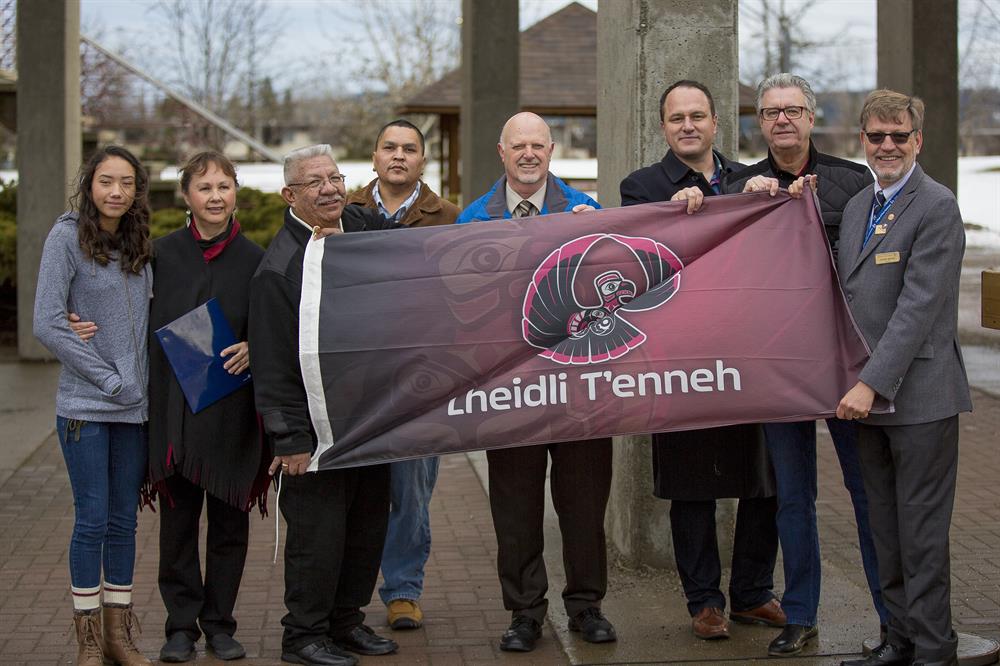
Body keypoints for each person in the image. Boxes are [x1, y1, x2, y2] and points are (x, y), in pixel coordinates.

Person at [723, 73, 889, 657]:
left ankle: (891, 616)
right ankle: (801, 614)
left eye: (793, 110)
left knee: (866, 494)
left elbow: (870, 259)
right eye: (770, 113)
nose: (782, 120)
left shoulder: (850, 178)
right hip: (780, 363)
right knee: (792, 497)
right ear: (759, 122)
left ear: (811, 117)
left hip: (844, 361)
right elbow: (726, 271)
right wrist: (749, 207)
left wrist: (819, 207)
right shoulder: (741, 184)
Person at [621, 80, 784, 641]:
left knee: (765, 478)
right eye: (676, 118)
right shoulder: (641, 188)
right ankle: (704, 601)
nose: (687, 126)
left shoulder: (754, 182)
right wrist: (673, 220)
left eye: (697, 116)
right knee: (692, 484)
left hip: (751, 353)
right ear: (663, 127)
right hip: (682, 358)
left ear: (716, 123)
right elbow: (636, 272)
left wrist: (770, 200)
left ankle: (754, 593)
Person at [457, 112, 616, 653]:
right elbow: (461, 314)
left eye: (537, 146)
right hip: (513, 394)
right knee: (517, 509)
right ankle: (524, 612)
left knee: (584, 505)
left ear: (552, 151)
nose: (528, 154)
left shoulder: (586, 212)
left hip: (580, 394)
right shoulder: (473, 221)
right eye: (517, 146)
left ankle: (587, 606)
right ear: (501, 152)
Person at [835, 90, 971, 666]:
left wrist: (870, 382)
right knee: (884, 529)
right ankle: (900, 639)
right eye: (875, 136)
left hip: (918, 399)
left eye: (898, 135)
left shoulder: (936, 206)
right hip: (868, 403)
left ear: (918, 140)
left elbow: (919, 306)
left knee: (920, 534)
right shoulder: (860, 205)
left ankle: (935, 650)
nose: (886, 145)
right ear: (862, 141)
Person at [249, 144, 397, 666]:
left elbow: (428, 249)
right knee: (318, 537)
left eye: (335, 177)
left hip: (370, 422)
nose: (330, 188)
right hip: (314, 433)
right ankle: (303, 636)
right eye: (315, 182)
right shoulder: (278, 269)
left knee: (365, 528)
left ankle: (346, 622)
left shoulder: (362, 229)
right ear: (290, 194)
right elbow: (269, 364)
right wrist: (288, 438)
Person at [33, 146, 153, 666]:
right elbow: (48, 322)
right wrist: (109, 379)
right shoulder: (65, 238)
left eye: (127, 183)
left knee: (124, 522)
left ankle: (117, 637)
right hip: (86, 407)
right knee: (92, 521)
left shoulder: (136, 240)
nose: (116, 192)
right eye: (107, 181)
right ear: (89, 184)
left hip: (134, 412)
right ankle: (87, 640)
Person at [146, 152, 265, 662]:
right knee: (176, 527)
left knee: (229, 527)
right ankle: (180, 626)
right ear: (186, 196)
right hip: (175, 414)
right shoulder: (160, 256)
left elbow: (279, 328)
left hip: (232, 413)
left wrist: (258, 347)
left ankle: (219, 624)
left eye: (224, 186)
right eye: (205, 188)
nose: (216, 196)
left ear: (236, 190)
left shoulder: (258, 260)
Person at [346, 119, 459, 630]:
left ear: (422, 160)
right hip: (355, 381)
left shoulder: (449, 219)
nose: (398, 156)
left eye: (409, 149)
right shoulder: (342, 213)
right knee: (352, 491)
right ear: (373, 157)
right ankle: (344, 594)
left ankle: (402, 591)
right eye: (389, 148)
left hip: (421, 382)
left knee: (410, 491)